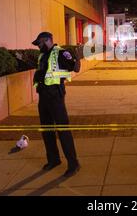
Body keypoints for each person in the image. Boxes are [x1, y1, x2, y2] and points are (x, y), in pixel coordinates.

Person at [32, 32, 81, 177]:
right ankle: (53, 160)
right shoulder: (42, 55)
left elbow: (76, 68)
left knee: (63, 131)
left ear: (47, 40)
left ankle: (73, 164)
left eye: (39, 43)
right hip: (43, 97)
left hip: (55, 97)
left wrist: (77, 56)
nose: (38, 46)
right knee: (47, 130)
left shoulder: (61, 53)